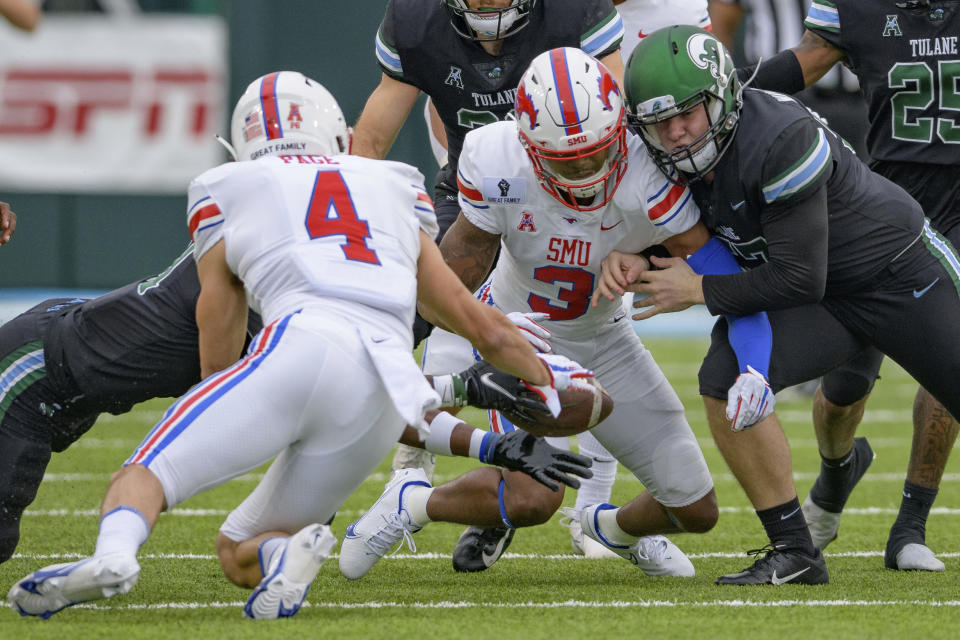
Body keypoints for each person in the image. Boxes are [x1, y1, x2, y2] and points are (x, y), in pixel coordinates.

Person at [5, 70, 593, 620]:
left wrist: (230, 408)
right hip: (379, 387)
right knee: (240, 550)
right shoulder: (394, 184)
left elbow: (219, 343)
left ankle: (115, 552)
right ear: (338, 134)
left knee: (144, 476)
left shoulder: (229, 186)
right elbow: (479, 326)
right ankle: (281, 558)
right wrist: (552, 383)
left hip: (299, 343)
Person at [339, 48, 778, 580]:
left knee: (696, 510)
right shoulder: (495, 159)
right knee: (533, 496)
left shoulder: (650, 171)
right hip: (520, 335)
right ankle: (414, 503)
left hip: (606, 338)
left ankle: (605, 525)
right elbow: (459, 269)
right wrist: (479, 333)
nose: (587, 172)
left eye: (596, 153)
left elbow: (720, 272)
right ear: (528, 144)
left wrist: (657, 269)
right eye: (567, 161)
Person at [598, 25, 960, 584]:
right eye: (658, 122)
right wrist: (630, 255)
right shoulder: (654, 154)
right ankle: (795, 550)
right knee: (723, 376)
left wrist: (697, 290)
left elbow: (796, 277)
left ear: (722, 97)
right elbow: (697, 236)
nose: (675, 134)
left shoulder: (777, 135)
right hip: (829, 302)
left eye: (689, 114)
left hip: (900, 275)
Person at [725, 0, 960, 573]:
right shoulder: (857, 8)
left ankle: (911, 524)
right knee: (844, 390)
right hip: (884, 210)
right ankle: (835, 478)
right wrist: (725, 90)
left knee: (947, 358)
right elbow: (805, 63)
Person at [359, 0, 627, 499]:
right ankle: (404, 453)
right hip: (473, 196)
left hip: (570, 194)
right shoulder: (418, 23)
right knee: (413, 305)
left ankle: (591, 509)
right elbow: (370, 143)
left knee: (595, 329)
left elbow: (620, 120)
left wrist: (625, 230)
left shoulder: (574, 13)